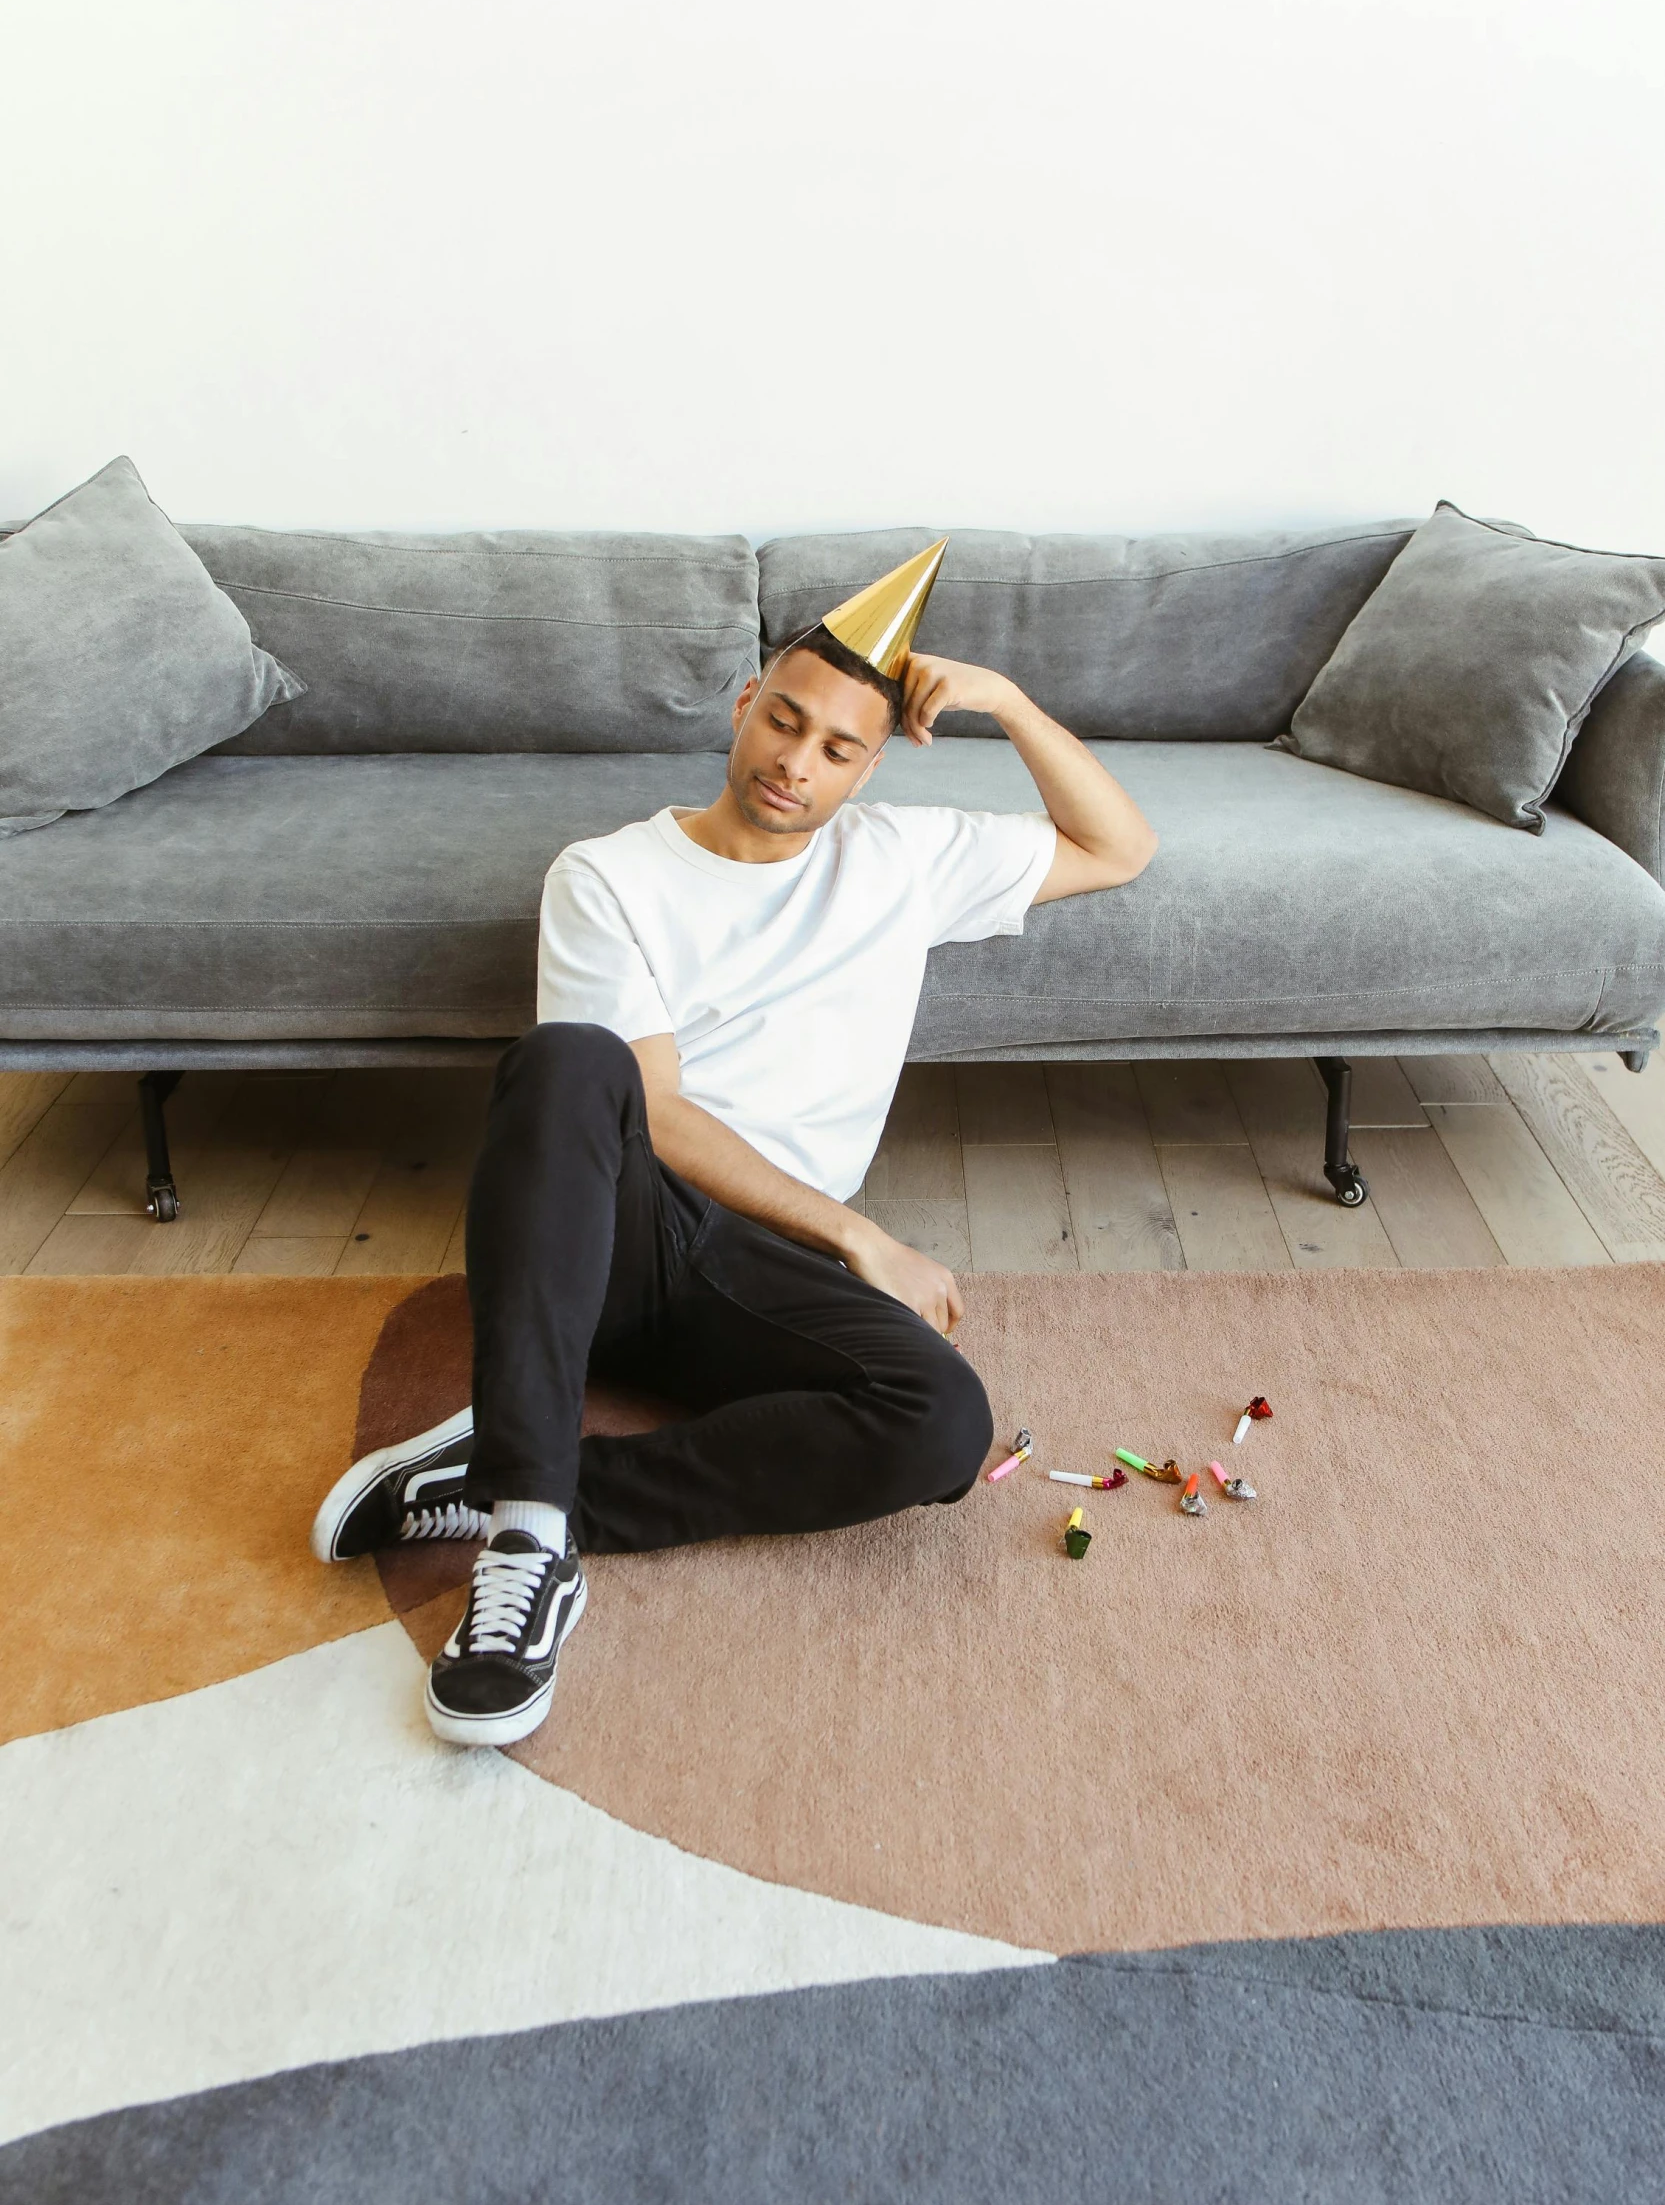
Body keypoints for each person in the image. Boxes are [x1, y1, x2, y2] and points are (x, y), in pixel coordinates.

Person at [310, 541, 1158, 1747]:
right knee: (573, 1060)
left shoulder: (905, 863)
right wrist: (863, 1235)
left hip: (762, 1278)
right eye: (784, 721)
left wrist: (1009, 703)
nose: (793, 764)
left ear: (869, 769)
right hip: (619, 1240)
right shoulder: (608, 876)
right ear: (742, 707)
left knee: (944, 1425)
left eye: (836, 749)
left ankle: (516, 1476)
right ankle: (527, 1553)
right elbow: (648, 1110)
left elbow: (1120, 846)